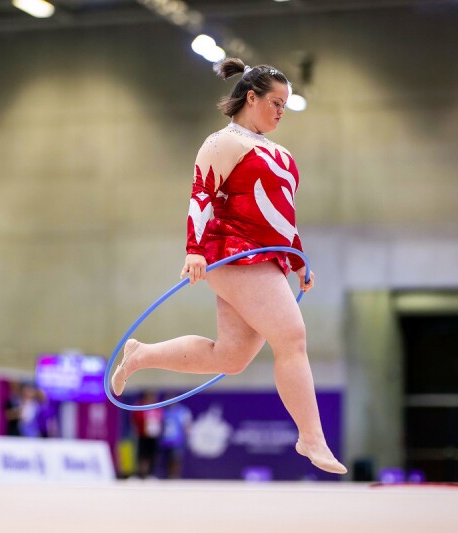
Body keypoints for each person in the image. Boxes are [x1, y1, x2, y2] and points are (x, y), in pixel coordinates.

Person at [111, 58, 346, 475]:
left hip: (265, 256)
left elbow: (283, 216)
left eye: (285, 106)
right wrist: (194, 249)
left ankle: (139, 355)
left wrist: (297, 260)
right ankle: (311, 436)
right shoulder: (225, 142)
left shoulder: (284, 156)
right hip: (231, 251)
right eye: (274, 102)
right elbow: (201, 194)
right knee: (291, 336)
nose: (280, 112)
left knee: (232, 356)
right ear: (250, 97)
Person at [131, 391, 164, 478]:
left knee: (151, 454)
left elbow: (160, 419)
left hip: (153, 435)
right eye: (150, 395)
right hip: (142, 434)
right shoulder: (140, 406)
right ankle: (141, 474)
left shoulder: (157, 407)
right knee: (142, 455)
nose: (151, 397)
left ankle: (150, 474)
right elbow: (135, 419)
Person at [159, 396, 192, 479]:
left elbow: (186, 424)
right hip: (166, 439)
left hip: (177, 439)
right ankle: (169, 474)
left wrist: (186, 434)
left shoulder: (182, 411)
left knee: (176, 458)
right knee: (167, 459)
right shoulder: (164, 411)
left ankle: (175, 475)